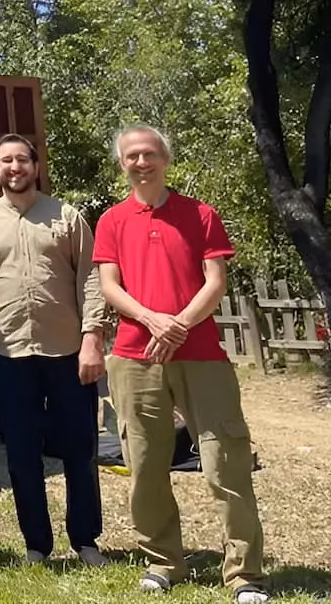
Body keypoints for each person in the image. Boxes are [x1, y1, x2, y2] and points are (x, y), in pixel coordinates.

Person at [94, 126, 270, 603]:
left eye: (149, 153)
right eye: (131, 156)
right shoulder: (111, 221)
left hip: (201, 355)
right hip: (134, 355)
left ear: (165, 159)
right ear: (122, 164)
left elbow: (215, 281)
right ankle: (163, 561)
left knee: (224, 462)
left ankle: (244, 575)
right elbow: (110, 285)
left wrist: (179, 324)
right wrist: (153, 320)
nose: (141, 162)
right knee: (145, 464)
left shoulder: (201, 214)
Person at [0, 133, 110, 565]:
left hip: (66, 351)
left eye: (22, 159)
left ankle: (85, 540)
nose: (15, 167)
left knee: (79, 449)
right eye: (5, 161)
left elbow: (90, 278)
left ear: (35, 165)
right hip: (8, 352)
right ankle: (36, 546)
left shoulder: (67, 216)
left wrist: (92, 340)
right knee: (22, 453)